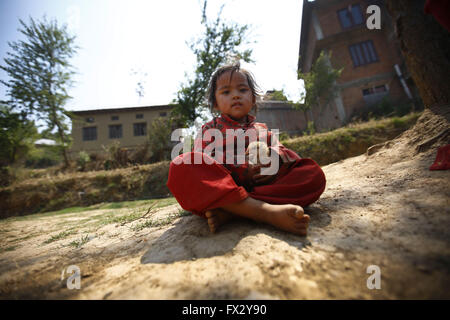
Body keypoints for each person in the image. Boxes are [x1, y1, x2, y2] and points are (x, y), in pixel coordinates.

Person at [167, 63, 326, 236]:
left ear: (253, 98)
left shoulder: (262, 130)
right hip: (223, 188)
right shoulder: (208, 130)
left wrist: (274, 159)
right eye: (226, 92)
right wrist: (241, 169)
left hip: (259, 189)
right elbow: (202, 161)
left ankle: (233, 211)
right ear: (215, 103)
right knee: (182, 163)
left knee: (313, 174)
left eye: (242, 90)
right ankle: (264, 212)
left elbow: (285, 153)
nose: (235, 95)